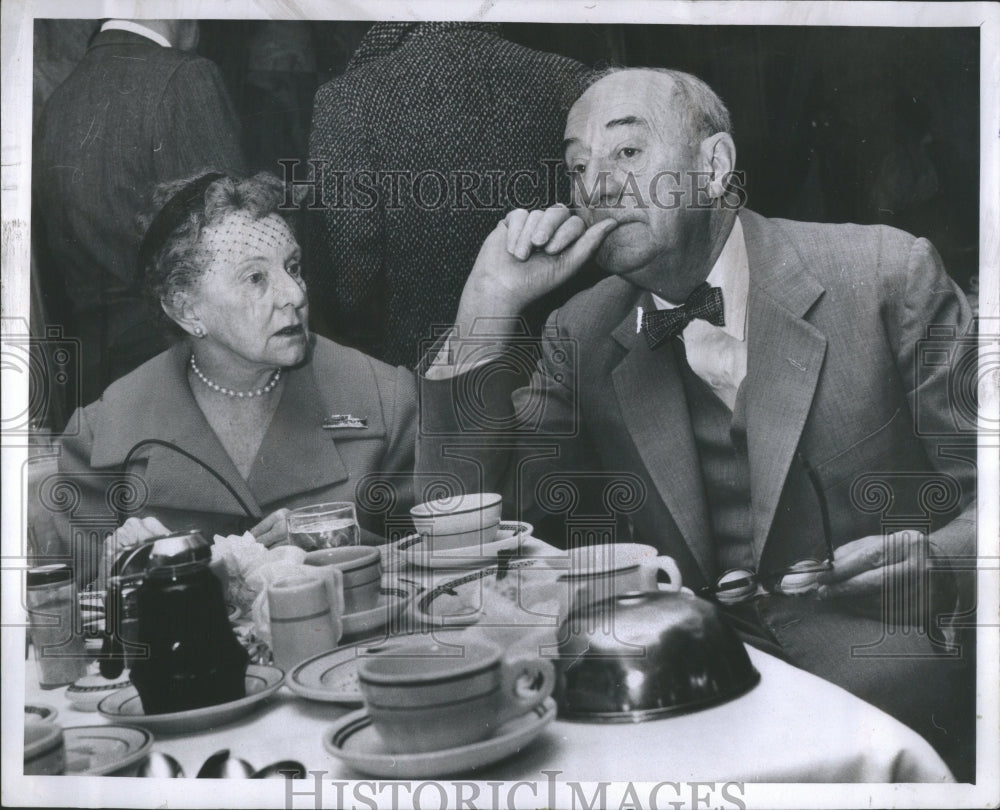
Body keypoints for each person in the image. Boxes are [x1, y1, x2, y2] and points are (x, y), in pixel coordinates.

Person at [417, 68, 976, 777]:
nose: (597, 186)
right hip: (679, 704)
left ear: (712, 168)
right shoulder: (583, 331)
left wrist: (942, 566)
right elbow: (455, 514)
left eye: (627, 153)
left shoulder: (888, 275)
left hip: (885, 699)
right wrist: (487, 307)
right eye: (577, 168)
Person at [52, 172, 417, 586]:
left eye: (293, 267)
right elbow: (70, 610)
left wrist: (336, 544)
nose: (294, 294)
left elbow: (440, 561)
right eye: (255, 278)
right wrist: (117, 572)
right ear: (186, 310)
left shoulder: (386, 399)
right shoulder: (100, 438)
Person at [306, 22, 593, 367]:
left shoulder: (347, 98)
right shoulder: (568, 75)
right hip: (565, 362)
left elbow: (350, 275)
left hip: (419, 377)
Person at [33, 19, 246, 414]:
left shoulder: (57, 104)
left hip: (95, 392)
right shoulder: (185, 77)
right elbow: (238, 253)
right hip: (183, 388)